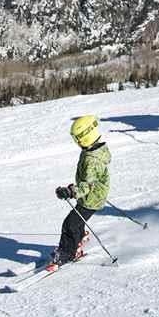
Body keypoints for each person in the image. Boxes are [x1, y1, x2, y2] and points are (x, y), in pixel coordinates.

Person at [48, 115, 111, 270]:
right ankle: (79, 236)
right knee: (76, 221)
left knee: (70, 223)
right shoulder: (94, 150)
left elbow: (87, 186)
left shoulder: (91, 160)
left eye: (76, 138)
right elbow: (90, 179)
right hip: (94, 194)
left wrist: (71, 192)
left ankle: (67, 253)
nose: (75, 141)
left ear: (84, 137)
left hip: (91, 199)